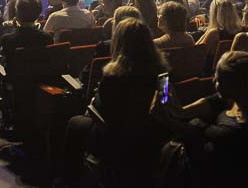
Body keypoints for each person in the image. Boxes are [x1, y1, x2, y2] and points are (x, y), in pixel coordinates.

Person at [63, 19, 169, 188]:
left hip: (116, 135)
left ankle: (69, 179)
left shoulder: (113, 75)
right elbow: (164, 101)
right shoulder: (163, 71)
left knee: (75, 123)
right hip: (150, 133)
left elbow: (103, 110)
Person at [152, 51, 248, 188]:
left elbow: (193, 130)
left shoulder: (233, 131)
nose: (213, 80)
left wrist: (164, 117)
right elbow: (212, 101)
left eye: (218, 80)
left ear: (234, 86)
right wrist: (179, 110)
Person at [0, 0, 53, 71]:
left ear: (17, 14)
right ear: (38, 15)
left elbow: (5, 64)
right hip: (40, 79)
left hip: (15, 81)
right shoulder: (47, 38)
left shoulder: (7, 39)